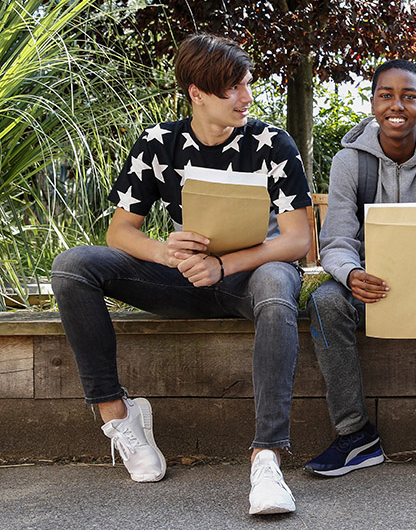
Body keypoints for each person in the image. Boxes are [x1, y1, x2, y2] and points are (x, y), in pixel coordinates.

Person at [50, 34, 311, 516]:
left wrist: (223, 265)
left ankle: (267, 457)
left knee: (278, 286)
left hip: (250, 276)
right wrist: (166, 254)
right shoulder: (159, 142)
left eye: (246, 85)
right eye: (232, 89)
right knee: (72, 266)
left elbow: (297, 240)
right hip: (183, 277)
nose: (246, 98)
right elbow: (120, 231)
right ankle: (119, 416)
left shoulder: (272, 142)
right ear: (197, 93)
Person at [305, 59, 416, 480]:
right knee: (324, 302)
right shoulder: (349, 162)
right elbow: (336, 241)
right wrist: (351, 274)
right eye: (386, 95)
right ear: (372, 102)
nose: (397, 105)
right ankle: (355, 436)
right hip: (369, 284)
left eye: (409, 96)